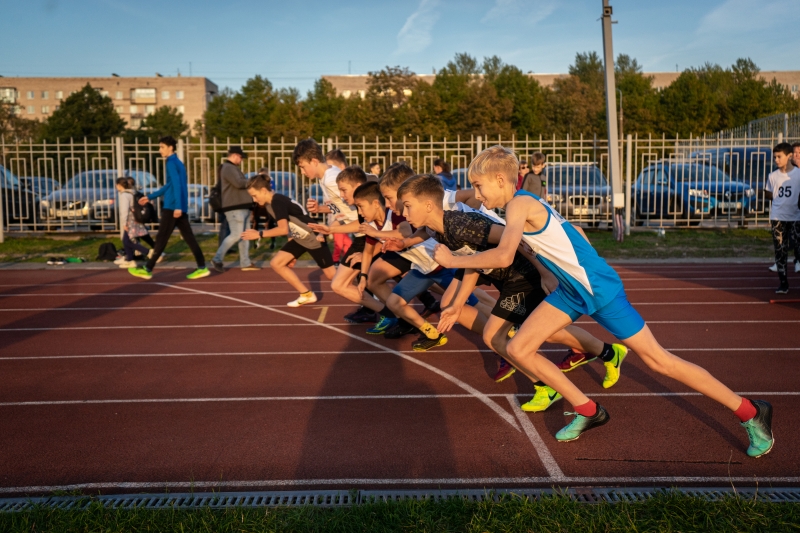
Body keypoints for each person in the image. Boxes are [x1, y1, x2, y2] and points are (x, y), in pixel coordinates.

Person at [435, 145, 773, 457]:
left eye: (479, 186)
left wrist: (452, 260)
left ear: (499, 179)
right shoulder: (523, 201)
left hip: (597, 289)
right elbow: (575, 231)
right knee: (519, 348)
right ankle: (588, 411)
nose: (477, 195)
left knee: (659, 361)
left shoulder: (519, 204)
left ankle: (750, 411)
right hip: (572, 290)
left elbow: (505, 255)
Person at [400, 174, 627, 411]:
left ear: (429, 205)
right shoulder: (435, 231)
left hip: (523, 277)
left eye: (407, 206)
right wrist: (456, 305)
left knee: (502, 336)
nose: (404, 213)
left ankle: (557, 381)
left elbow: (516, 238)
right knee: (525, 333)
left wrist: (543, 271)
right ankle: (603, 355)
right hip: (500, 276)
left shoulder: (462, 225)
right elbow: (471, 262)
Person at [241, 174, 336, 306]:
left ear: (263, 190)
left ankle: (363, 284)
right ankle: (306, 295)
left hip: (313, 237)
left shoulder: (277, 202)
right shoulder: (269, 204)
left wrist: (259, 234)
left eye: (254, 195)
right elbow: (290, 225)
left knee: (333, 276)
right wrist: (292, 253)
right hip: (299, 237)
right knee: (277, 263)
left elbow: (283, 229)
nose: (254, 200)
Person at [307, 166, 387, 321]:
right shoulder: (357, 203)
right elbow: (356, 222)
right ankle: (390, 313)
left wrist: (331, 229)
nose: (341, 195)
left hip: (376, 240)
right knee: (369, 280)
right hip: (369, 240)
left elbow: (363, 226)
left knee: (359, 282)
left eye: (343, 190)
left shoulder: (370, 203)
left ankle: (394, 314)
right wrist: (329, 227)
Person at [128, 136, 208, 280]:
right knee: (189, 238)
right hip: (178, 206)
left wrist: (177, 207)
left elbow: (177, 185)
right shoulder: (177, 162)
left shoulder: (171, 163)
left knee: (161, 238)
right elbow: (169, 185)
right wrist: (151, 196)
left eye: (162, 147)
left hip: (172, 207)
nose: (160, 150)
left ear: (171, 148)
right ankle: (202, 267)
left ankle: (148, 269)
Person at [211, 146, 259, 273]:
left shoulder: (231, 168)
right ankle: (217, 258)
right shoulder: (228, 168)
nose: (241, 160)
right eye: (241, 157)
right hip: (234, 207)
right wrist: (253, 181)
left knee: (245, 236)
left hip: (242, 206)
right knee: (236, 235)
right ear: (235, 155)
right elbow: (238, 183)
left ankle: (245, 262)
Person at [766, 142, 800, 294]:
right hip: (778, 217)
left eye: (779, 157)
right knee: (780, 250)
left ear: (789, 156)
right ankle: (783, 283)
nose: (776, 160)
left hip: (796, 217)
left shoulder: (798, 174)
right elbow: (769, 193)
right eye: (775, 157)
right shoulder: (773, 176)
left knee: (798, 245)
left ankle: (797, 262)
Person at [115, 177, 152, 269]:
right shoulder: (132, 193)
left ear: (119, 185)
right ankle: (130, 259)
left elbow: (124, 210)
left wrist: (124, 223)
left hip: (129, 220)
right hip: (135, 219)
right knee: (126, 240)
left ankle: (148, 252)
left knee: (127, 241)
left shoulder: (124, 195)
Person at [324, 149, 353, 266]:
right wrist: (319, 209)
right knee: (342, 243)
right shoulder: (329, 184)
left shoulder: (350, 187)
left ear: (341, 167)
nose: (328, 171)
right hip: (339, 222)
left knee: (345, 244)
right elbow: (334, 208)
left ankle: (340, 260)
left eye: (330, 167)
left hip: (350, 224)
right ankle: (340, 260)